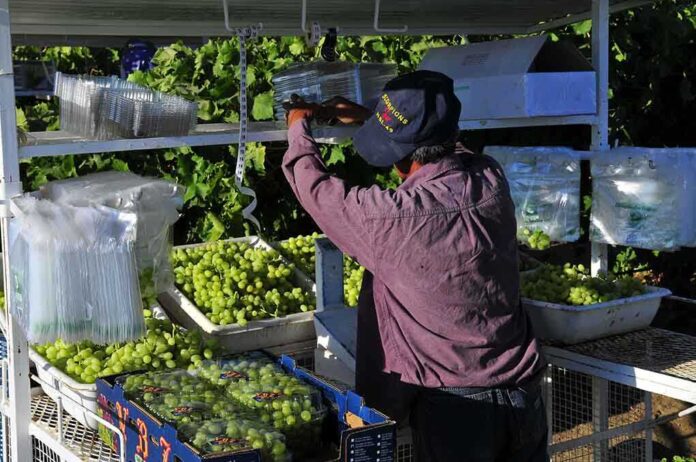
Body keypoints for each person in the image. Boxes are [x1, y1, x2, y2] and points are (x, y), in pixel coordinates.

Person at [282, 70, 548, 462]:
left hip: (458, 411)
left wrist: (297, 127)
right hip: (523, 390)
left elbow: (316, 189)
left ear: (401, 159)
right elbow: (451, 146)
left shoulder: (395, 218)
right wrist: (377, 120)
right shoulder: (490, 178)